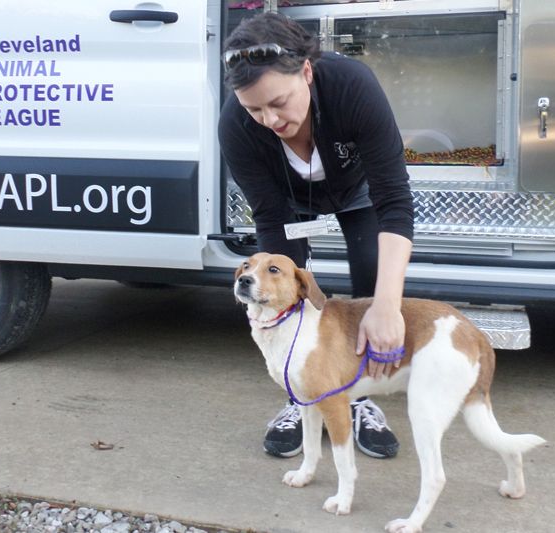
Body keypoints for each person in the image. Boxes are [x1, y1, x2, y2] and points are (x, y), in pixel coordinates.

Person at [218, 12, 414, 459]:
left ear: (306, 72)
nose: (269, 119)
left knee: (371, 283)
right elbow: (269, 214)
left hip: (360, 192)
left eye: (280, 102)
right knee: (285, 292)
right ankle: (302, 394)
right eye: (254, 109)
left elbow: (395, 204)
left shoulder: (352, 87)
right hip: (289, 205)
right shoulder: (235, 125)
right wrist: (296, 288)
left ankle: (359, 397)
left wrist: (387, 308)